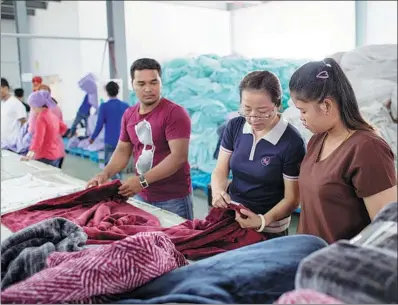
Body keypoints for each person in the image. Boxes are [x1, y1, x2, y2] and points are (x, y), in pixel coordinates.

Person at [289, 58, 397, 244]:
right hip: (309, 258)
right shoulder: (317, 140)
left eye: (303, 111)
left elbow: (386, 231)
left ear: (327, 105)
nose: (301, 119)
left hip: (341, 266)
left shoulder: (368, 149)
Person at [86, 58, 193, 220]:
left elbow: (178, 157)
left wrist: (142, 181)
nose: (148, 89)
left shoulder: (174, 113)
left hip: (172, 198)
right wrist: (105, 174)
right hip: (141, 196)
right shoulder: (129, 114)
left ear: (161, 82)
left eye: (154, 82)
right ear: (133, 85)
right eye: (141, 84)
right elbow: (123, 150)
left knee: (178, 243)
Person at [211, 71, 306, 237]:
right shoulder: (235, 126)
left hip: (269, 228)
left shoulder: (291, 142)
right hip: (233, 216)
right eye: (247, 109)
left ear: (277, 104)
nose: (253, 118)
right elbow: (220, 169)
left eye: (262, 111)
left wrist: (262, 221)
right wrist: (218, 191)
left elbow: (292, 199)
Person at [89, 81, 129, 180]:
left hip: (110, 141)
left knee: (109, 166)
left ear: (107, 92)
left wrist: (93, 138)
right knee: (120, 163)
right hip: (123, 141)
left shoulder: (104, 106)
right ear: (118, 91)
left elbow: (99, 125)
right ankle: (119, 182)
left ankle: (117, 183)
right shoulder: (125, 106)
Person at [21, 90, 68, 168]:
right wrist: (54, 136)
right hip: (57, 153)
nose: (33, 110)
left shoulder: (41, 118)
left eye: (33, 107)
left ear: (38, 105)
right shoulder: (50, 114)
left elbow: (38, 138)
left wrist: (29, 155)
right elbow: (64, 127)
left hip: (46, 155)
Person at [68, 74, 97, 138]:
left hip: (87, 113)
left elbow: (95, 105)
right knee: (75, 124)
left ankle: (87, 135)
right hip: (81, 112)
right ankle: (70, 134)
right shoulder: (89, 94)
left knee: (87, 126)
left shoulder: (93, 95)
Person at [1, 78, 27, 146]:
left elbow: (24, 123)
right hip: (3, 143)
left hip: (13, 143)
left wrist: (21, 141)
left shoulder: (16, 103)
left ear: (5, 88)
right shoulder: (2, 103)